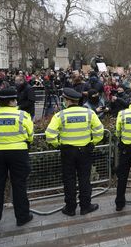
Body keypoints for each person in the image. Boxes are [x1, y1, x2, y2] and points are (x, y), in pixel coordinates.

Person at [45, 88, 104, 216]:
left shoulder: (60, 115)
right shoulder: (89, 113)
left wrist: (58, 144)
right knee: (84, 179)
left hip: (68, 152)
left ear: (67, 100)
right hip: (85, 151)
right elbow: (100, 131)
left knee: (69, 179)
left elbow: (49, 134)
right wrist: (93, 142)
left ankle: (70, 208)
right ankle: (85, 206)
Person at [0, 88, 34, 229]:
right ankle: (22, 217)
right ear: (13, 101)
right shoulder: (23, 115)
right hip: (18, 152)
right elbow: (30, 135)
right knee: (19, 185)